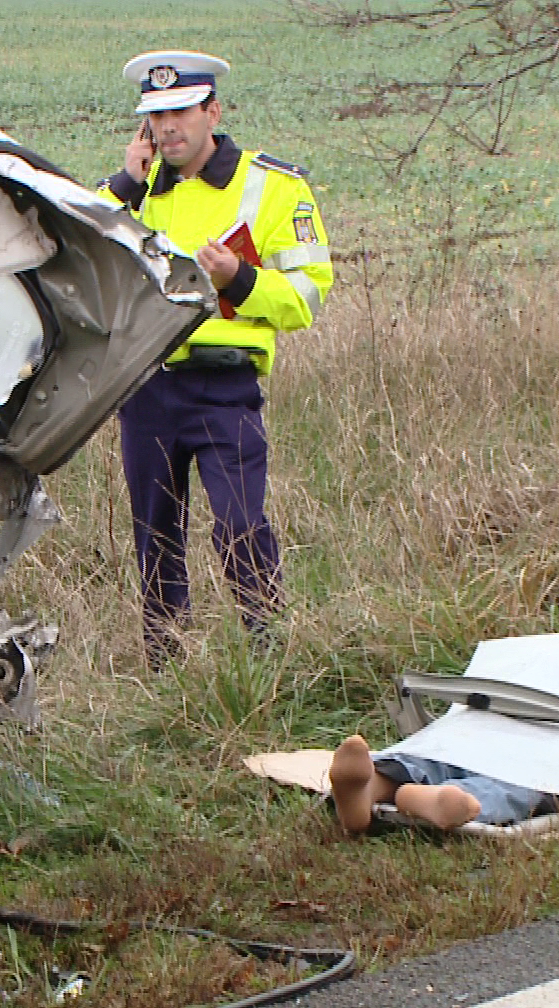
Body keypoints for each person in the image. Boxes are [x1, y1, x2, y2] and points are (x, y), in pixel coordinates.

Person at [98, 51, 333, 666]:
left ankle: (268, 652)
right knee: (155, 536)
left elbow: (309, 292)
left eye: (179, 113)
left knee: (238, 525)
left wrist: (239, 280)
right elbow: (80, 245)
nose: (168, 128)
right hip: (147, 387)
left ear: (212, 112)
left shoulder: (273, 188)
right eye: (155, 116)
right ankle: (167, 671)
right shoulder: (132, 192)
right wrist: (125, 182)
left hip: (224, 387)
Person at [328, 734, 559, 833]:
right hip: (540, 748)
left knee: (443, 756)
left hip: (526, 741)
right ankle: (373, 787)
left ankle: (382, 785)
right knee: (517, 784)